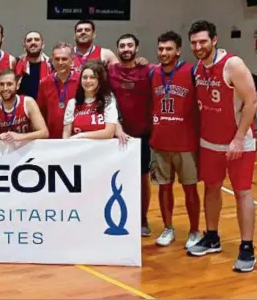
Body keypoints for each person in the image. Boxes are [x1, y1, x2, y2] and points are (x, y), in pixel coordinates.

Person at [186, 20, 256, 273]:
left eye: (203, 41)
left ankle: (247, 246)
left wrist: (238, 138)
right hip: (210, 141)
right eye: (194, 43)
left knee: (242, 193)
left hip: (238, 142)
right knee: (212, 188)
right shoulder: (198, 67)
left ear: (214, 40)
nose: (198, 46)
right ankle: (212, 236)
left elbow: (251, 102)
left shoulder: (233, 64)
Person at [148, 31, 202, 249]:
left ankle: (195, 230)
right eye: (161, 49)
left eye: (169, 49)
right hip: (160, 141)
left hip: (186, 142)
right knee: (164, 187)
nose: (164, 53)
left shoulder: (192, 72)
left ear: (178, 51)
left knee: (190, 188)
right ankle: (168, 227)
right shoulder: (153, 73)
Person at [108, 33, 154, 237]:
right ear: (117, 49)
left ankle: (142, 219)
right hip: (117, 135)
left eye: (130, 45)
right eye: (122, 46)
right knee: (116, 178)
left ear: (137, 48)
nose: (126, 49)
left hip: (142, 134)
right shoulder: (110, 71)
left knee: (143, 178)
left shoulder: (148, 70)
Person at [0, 69, 49, 141]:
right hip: (0, 150)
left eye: (9, 84)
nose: (5, 88)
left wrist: (21, 137)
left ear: (17, 85)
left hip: (25, 150)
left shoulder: (28, 102)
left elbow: (44, 133)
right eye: (1, 84)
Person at [62, 60, 118, 139]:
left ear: (99, 80)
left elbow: (109, 132)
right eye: (85, 77)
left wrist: (82, 135)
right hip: (78, 149)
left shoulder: (108, 101)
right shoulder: (72, 103)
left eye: (92, 77)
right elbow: (66, 134)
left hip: (103, 150)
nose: (88, 81)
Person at [38, 42, 80, 139]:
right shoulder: (44, 83)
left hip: (75, 138)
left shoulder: (81, 81)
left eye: (64, 59)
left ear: (72, 60)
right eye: (57, 59)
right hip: (51, 139)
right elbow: (41, 112)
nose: (60, 62)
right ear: (52, 61)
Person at [15, 31, 51, 100]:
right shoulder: (16, 64)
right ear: (24, 45)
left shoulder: (51, 65)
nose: (33, 42)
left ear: (43, 45)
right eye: (29, 40)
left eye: (36, 40)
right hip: (22, 108)